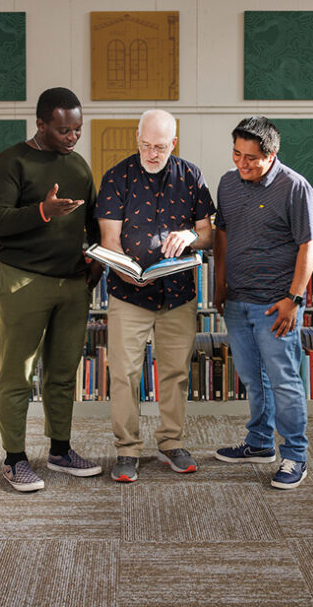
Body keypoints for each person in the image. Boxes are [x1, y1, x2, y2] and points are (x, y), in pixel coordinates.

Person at [0, 87, 105, 492]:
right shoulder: (12, 161)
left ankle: (60, 450)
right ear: (40, 124)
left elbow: (92, 223)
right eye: (63, 130)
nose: (72, 138)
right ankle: (14, 460)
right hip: (23, 280)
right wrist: (42, 212)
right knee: (18, 373)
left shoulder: (80, 166)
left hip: (72, 282)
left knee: (63, 372)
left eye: (77, 130)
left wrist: (97, 262)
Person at [96, 109, 215, 483]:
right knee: (125, 374)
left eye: (160, 147)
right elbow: (109, 240)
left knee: (176, 372)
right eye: (146, 145)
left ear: (173, 144)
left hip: (178, 292)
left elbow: (207, 235)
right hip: (128, 293)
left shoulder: (191, 176)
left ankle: (171, 443)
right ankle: (127, 450)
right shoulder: (116, 177)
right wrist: (127, 270)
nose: (152, 153)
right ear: (137, 138)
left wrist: (191, 237)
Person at [212, 116, 313, 489]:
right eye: (236, 154)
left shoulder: (295, 188)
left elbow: (311, 244)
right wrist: (219, 282)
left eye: (251, 158)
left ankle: (295, 455)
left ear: (272, 155)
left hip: (276, 305)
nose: (241, 164)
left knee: (284, 381)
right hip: (238, 300)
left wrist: (294, 299)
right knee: (252, 379)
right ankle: (260, 443)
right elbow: (222, 235)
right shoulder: (228, 184)